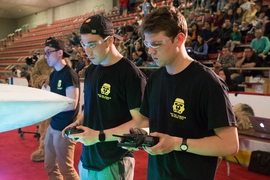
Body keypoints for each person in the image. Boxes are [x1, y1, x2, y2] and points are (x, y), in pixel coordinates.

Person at [138, 7, 238, 179]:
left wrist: (178, 144)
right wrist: (139, 136)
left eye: (156, 44)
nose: (150, 51)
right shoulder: (154, 79)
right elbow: (152, 125)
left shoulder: (208, 83)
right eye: (147, 44)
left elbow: (229, 145)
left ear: (179, 39)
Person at [63, 14, 147, 180]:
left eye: (92, 44)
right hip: (88, 158)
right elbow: (92, 107)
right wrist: (79, 121)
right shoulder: (91, 71)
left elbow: (141, 122)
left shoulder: (130, 75)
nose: (87, 51)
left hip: (114, 160)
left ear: (109, 40)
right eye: (84, 44)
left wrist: (99, 136)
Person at [43, 37, 80, 180]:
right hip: (53, 125)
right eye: (44, 53)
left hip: (65, 128)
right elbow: (53, 99)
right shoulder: (53, 74)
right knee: (50, 166)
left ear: (59, 53)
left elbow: (72, 104)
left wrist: (50, 108)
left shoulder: (69, 75)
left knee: (66, 169)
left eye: (48, 52)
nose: (45, 56)